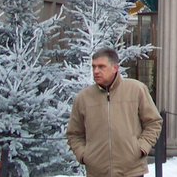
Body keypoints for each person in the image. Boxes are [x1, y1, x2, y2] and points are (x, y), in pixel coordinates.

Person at [67, 48, 163, 177]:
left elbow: (154, 122)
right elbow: (74, 133)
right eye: (94, 67)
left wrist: (141, 148)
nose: (96, 71)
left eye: (101, 67)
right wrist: (84, 155)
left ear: (115, 68)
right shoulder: (83, 98)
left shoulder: (136, 90)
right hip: (97, 172)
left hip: (131, 171)